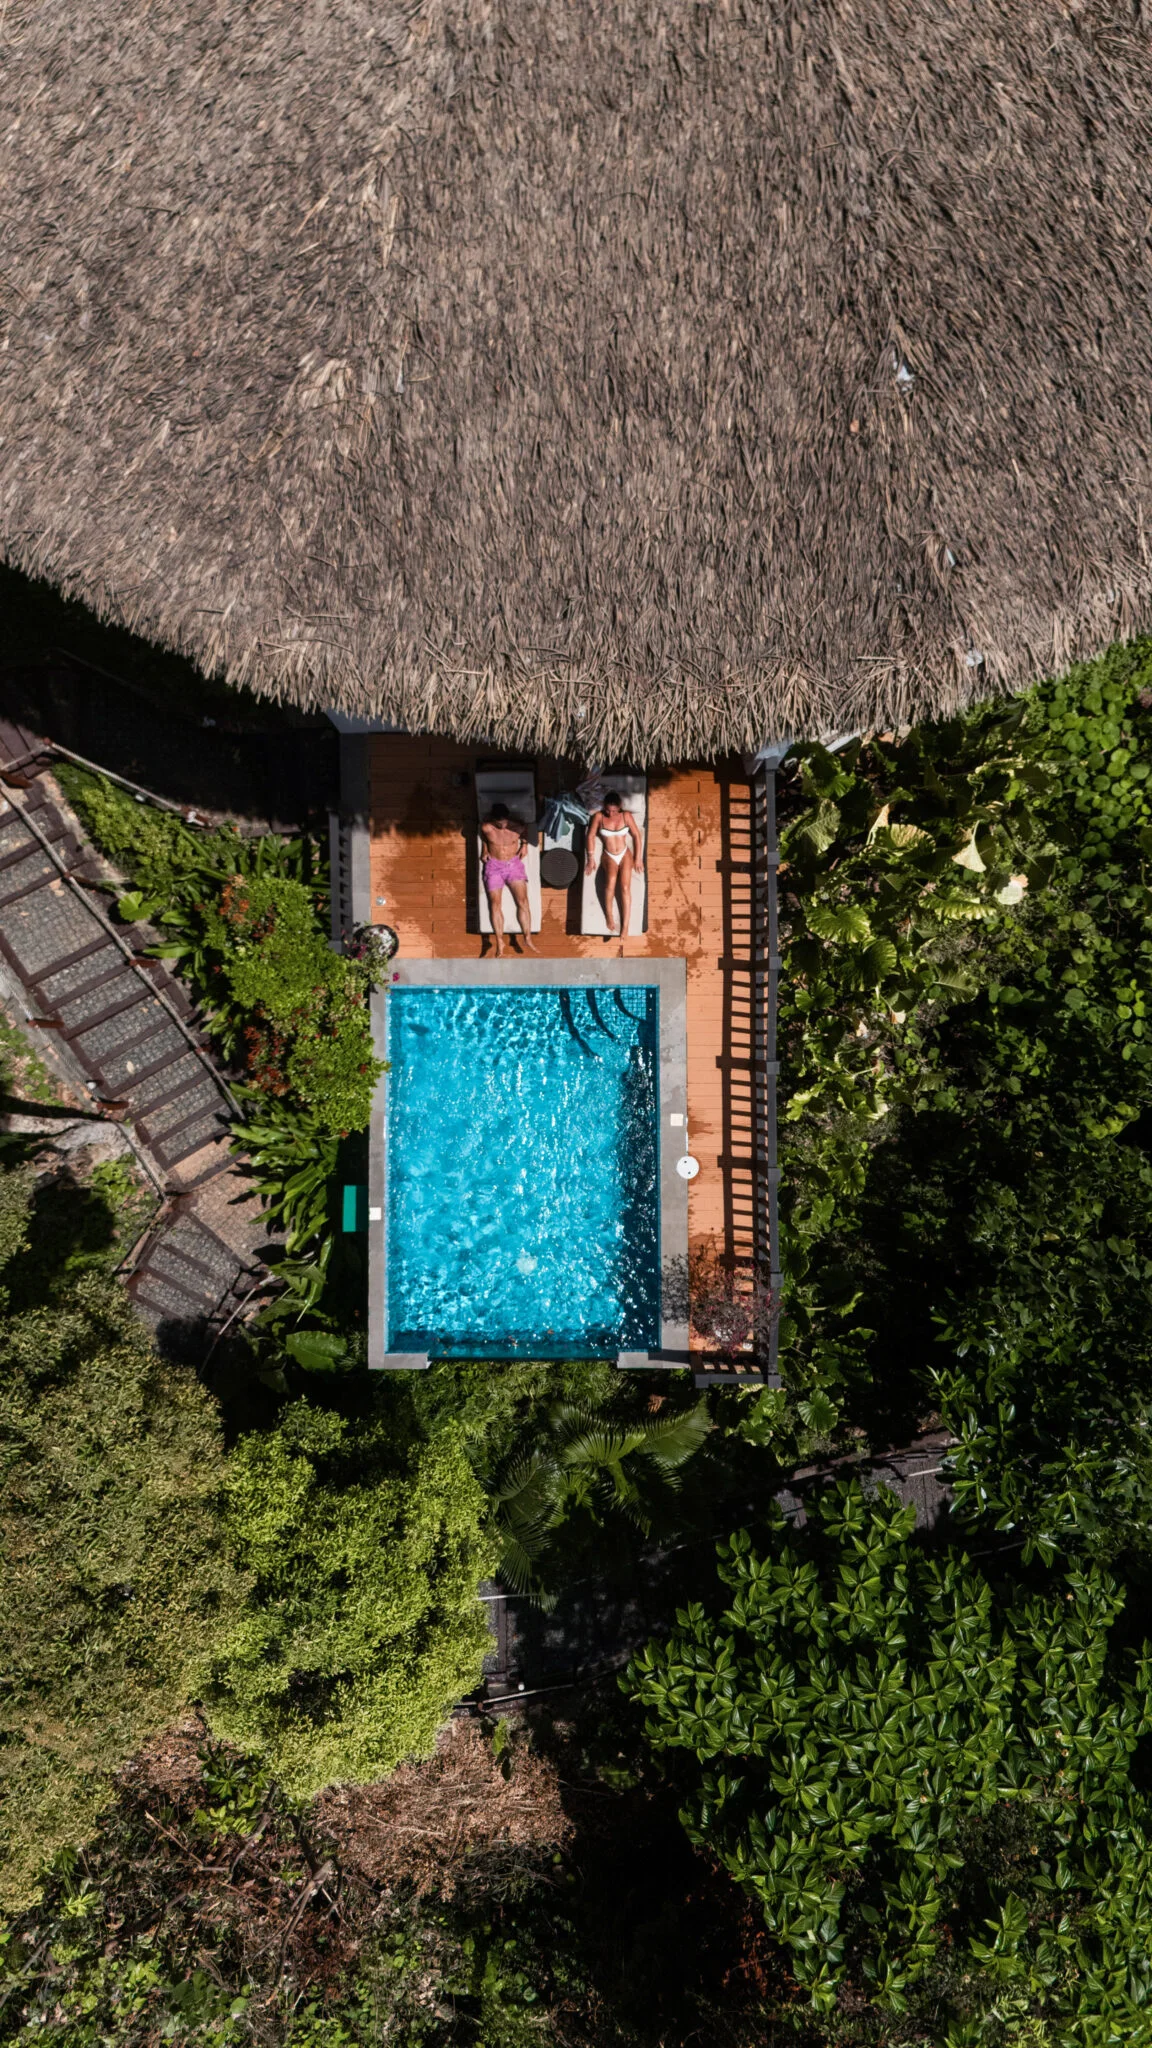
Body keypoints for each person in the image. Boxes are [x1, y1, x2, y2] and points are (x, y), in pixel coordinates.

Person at [481, 803, 539, 957]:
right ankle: (499, 941)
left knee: (523, 901)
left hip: (513, 865)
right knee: (495, 904)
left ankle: (527, 937)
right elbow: (483, 836)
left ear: (508, 818)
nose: (501, 826)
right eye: (498, 823)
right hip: (494, 866)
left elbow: (526, 831)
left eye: (504, 822)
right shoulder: (487, 827)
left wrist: (524, 845)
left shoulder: (517, 826)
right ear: (493, 820)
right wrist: (484, 849)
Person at [585, 790, 644, 935]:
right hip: (609, 855)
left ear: (620, 807)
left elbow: (636, 836)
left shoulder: (626, 816)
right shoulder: (599, 817)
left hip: (625, 854)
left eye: (614, 811)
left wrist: (638, 858)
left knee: (625, 887)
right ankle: (609, 916)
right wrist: (591, 858)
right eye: (607, 810)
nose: (610, 814)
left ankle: (625, 926)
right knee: (610, 884)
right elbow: (590, 836)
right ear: (604, 806)